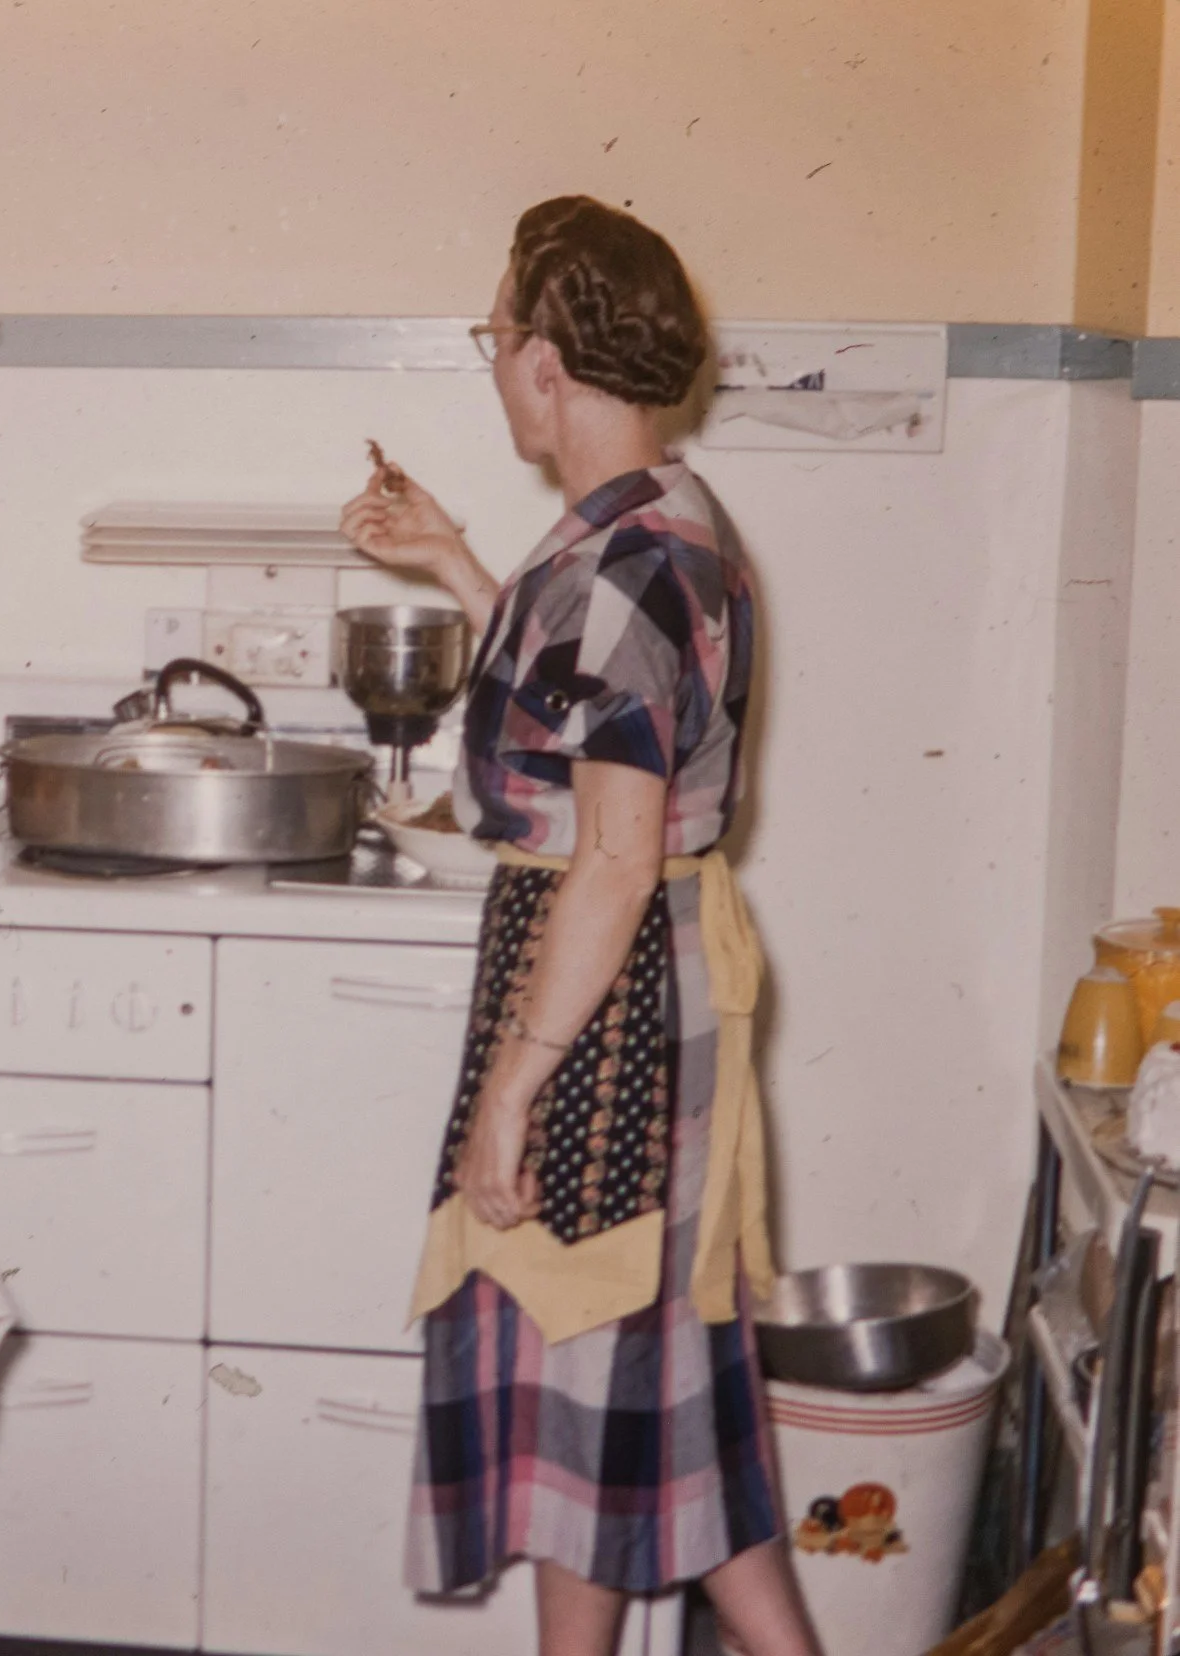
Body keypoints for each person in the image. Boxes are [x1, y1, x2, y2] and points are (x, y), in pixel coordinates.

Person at [343, 197, 820, 1656]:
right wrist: (456, 565)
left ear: (548, 362)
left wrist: (510, 1087)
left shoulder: (631, 570)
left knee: (603, 1391)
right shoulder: (650, 525)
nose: (494, 367)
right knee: (633, 1414)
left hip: (601, 1004)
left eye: (498, 339)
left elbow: (611, 859)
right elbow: (584, 716)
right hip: (624, 986)